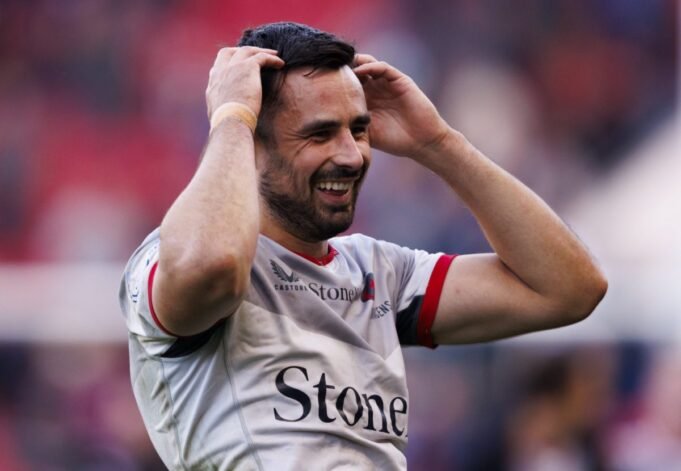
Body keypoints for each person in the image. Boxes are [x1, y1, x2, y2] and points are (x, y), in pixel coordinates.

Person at [119, 22, 607, 470]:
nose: (352, 156)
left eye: (357, 128)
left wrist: (437, 142)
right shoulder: (171, 259)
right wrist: (230, 120)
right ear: (255, 144)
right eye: (320, 134)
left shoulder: (380, 273)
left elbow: (570, 289)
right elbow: (213, 266)